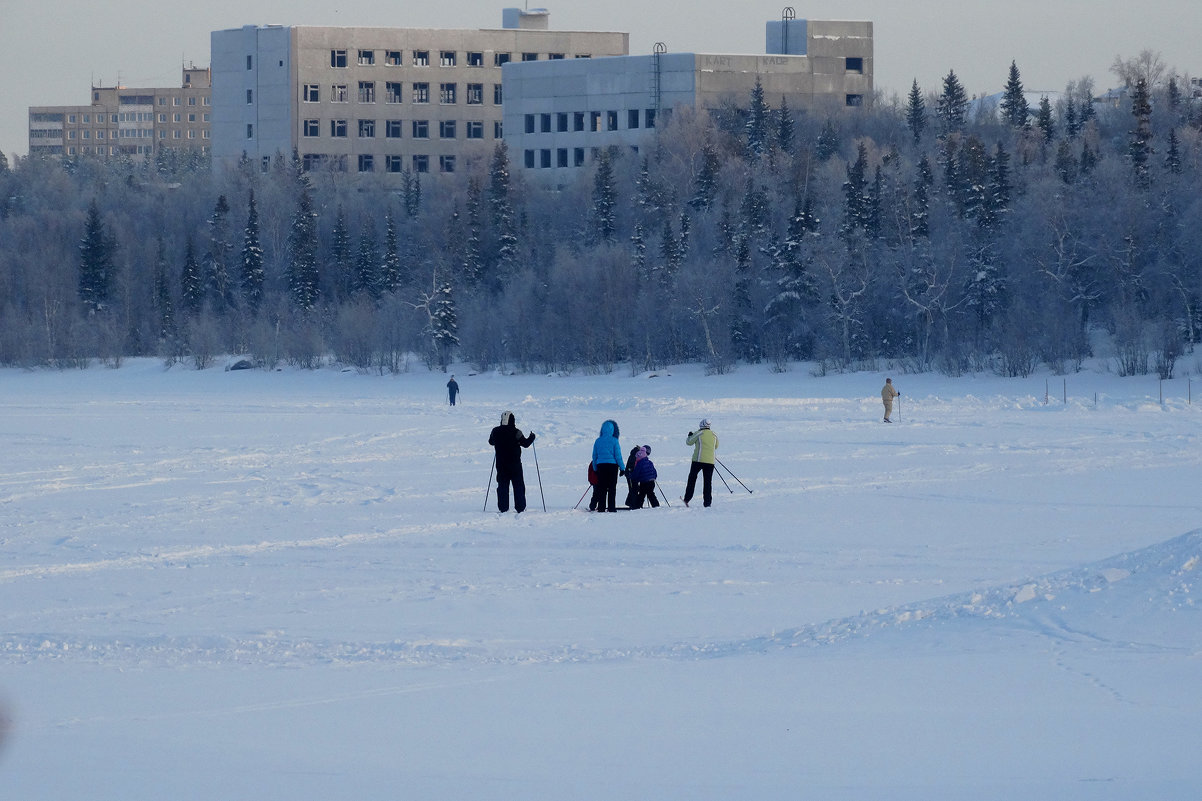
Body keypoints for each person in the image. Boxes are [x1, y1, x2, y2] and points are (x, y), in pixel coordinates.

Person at [488, 410, 535, 513]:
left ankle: (503, 508)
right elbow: (526, 444)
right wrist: (532, 437)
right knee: (518, 486)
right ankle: (520, 508)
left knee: (502, 486)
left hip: (501, 464)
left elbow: (491, 442)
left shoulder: (495, 431)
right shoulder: (516, 432)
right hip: (515, 464)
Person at [683, 419, 718, 507]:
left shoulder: (699, 433)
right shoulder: (714, 435)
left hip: (698, 460)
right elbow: (716, 446)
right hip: (710, 462)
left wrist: (689, 435)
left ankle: (687, 498)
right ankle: (707, 503)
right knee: (707, 482)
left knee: (692, 479)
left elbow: (689, 442)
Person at [590, 419, 623, 512]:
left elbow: (594, 455)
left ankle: (601, 507)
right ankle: (611, 507)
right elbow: (618, 456)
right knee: (612, 488)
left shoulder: (598, 441)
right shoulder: (614, 441)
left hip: (601, 466)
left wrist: (595, 467)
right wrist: (622, 468)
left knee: (601, 488)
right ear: (613, 430)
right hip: (612, 466)